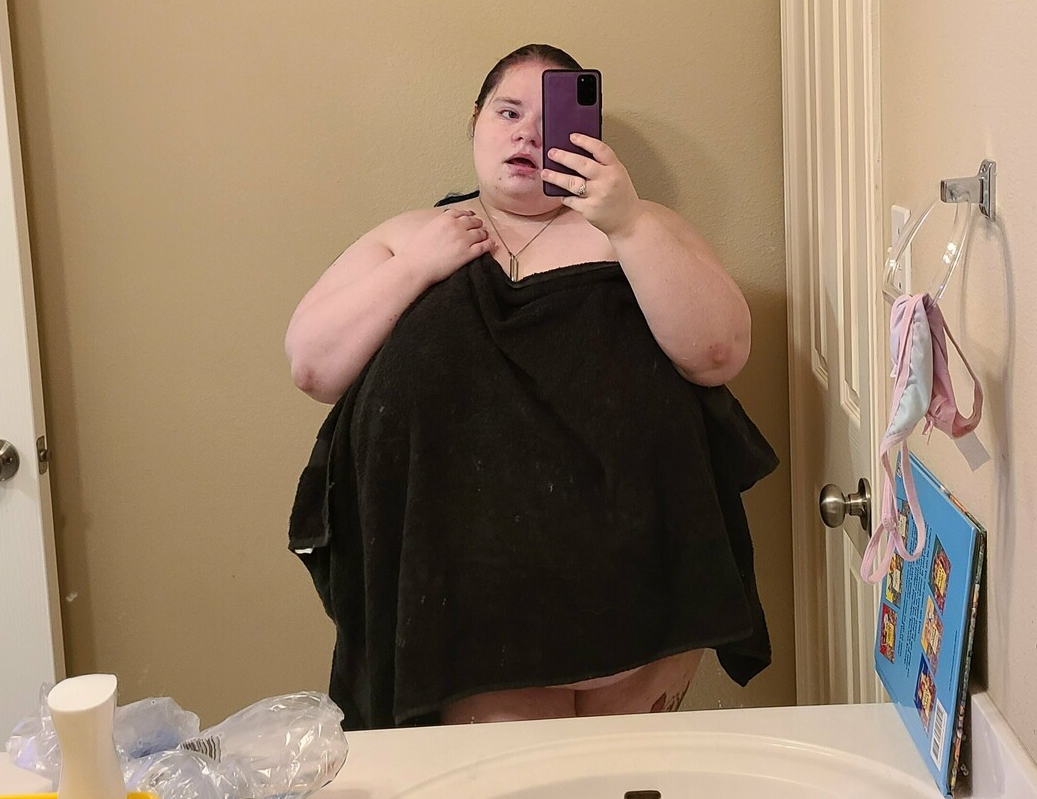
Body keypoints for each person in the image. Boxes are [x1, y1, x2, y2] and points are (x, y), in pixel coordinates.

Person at [286, 43, 776, 728]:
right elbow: (313, 366)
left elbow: (717, 354)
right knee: (507, 794)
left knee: (626, 787)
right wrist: (416, 267)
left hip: (641, 600)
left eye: (551, 120)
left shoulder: (640, 227)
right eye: (508, 112)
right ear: (475, 123)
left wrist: (628, 223)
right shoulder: (408, 236)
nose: (527, 134)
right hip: (465, 616)